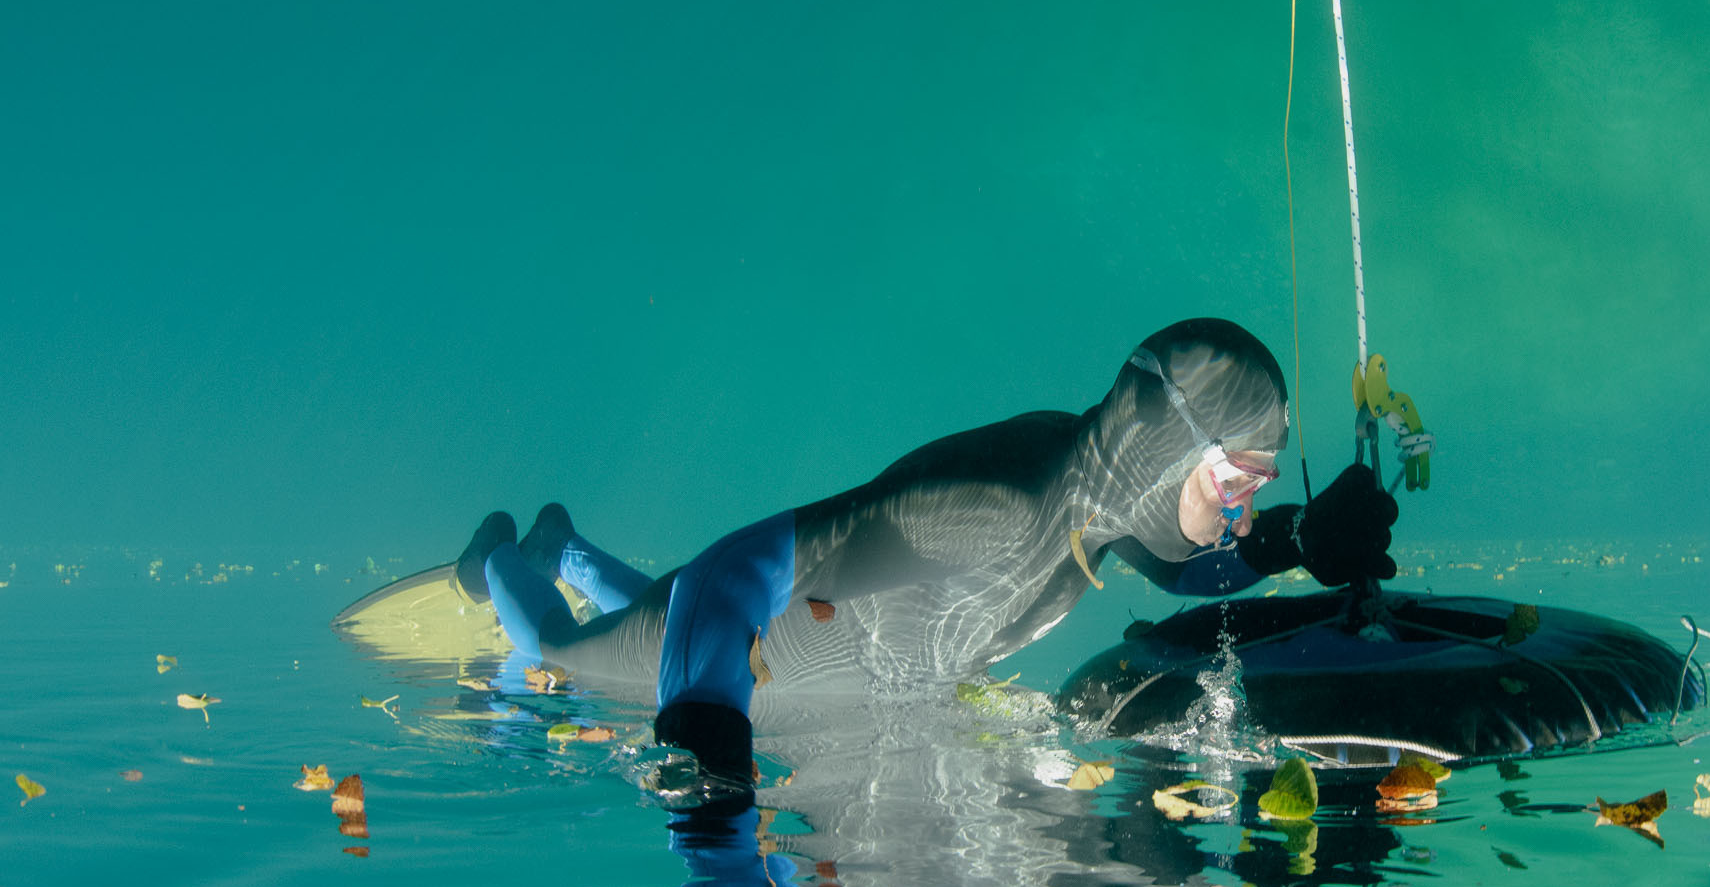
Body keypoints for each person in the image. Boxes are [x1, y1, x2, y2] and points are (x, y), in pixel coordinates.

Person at [450, 317, 1396, 786]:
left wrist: (1296, 540)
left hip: (795, 651)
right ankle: (497, 560)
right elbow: (722, 577)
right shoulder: (997, 505)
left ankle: (566, 544)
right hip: (751, 647)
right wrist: (707, 742)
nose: (1239, 513)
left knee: (642, 606)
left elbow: (1192, 566)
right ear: (1164, 448)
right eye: (1236, 484)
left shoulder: (1094, 509)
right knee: (562, 654)